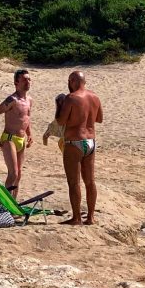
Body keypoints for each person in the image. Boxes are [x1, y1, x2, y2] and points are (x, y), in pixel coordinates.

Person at [56, 71, 104, 226]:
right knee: (90, 181)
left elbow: (61, 121)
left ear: (72, 81)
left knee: (74, 182)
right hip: (90, 141)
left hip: (74, 142)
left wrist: (59, 105)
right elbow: (99, 119)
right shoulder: (95, 97)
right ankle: (90, 217)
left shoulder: (71, 98)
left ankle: (76, 218)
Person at [0, 68, 34, 197]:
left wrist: (30, 134)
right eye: (24, 80)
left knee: (19, 174)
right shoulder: (12, 100)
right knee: (13, 173)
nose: (28, 82)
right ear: (16, 83)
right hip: (9, 139)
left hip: (22, 139)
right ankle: (5, 205)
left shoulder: (29, 100)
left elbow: (26, 118)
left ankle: (13, 204)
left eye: (29, 79)